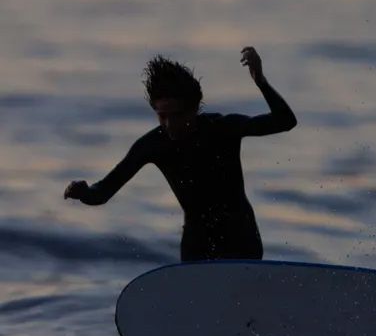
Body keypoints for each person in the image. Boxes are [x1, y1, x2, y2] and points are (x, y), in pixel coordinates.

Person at [64, 47, 298, 261]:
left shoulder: (222, 128)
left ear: (194, 108)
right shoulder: (152, 144)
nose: (169, 124)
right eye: (162, 115)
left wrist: (261, 82)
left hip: (241, 238)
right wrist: (83, 192)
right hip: (196, 244)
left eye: (176, 116)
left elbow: (285, 121)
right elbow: (103, 191)